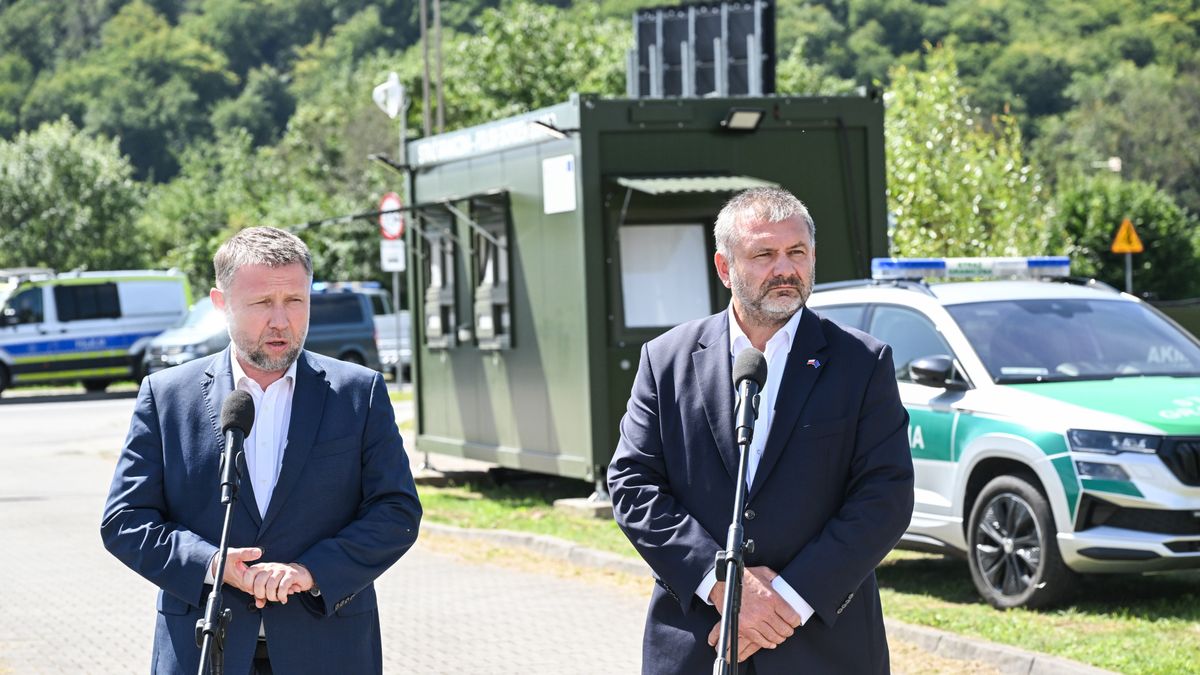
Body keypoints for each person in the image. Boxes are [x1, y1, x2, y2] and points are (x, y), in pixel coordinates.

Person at [608, 187, 914, 674]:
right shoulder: (665, 361)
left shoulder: (862, 363)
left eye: (797, 252)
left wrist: (785, 602)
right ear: (725, 268)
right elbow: (633, 485)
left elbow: (884, 496)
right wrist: (722, 585)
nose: (785, 269)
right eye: (764, 254)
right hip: (699, 642)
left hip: (823, 648)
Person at [102, 227, 422, 674]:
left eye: (295, 301)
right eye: (261, 303)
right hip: (203, 648)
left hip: (327, 648)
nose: (281, 320)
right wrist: (213, 565)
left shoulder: (358, 393)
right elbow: (125, 521)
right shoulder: (167, 396)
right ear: (221, 304)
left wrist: (311, 572)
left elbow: (396, 512)